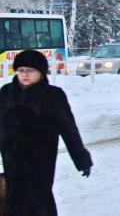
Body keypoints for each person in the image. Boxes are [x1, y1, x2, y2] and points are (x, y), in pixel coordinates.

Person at [0, 50, 92, 215]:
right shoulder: (6, 93)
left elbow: (69, 130)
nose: (25, 74)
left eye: (30, 70)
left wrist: (81, 159)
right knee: (13, 202)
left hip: (40, 161)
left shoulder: (53, 96)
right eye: (21, 70)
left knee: (40, 202)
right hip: (12, 160)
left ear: (41, 73)